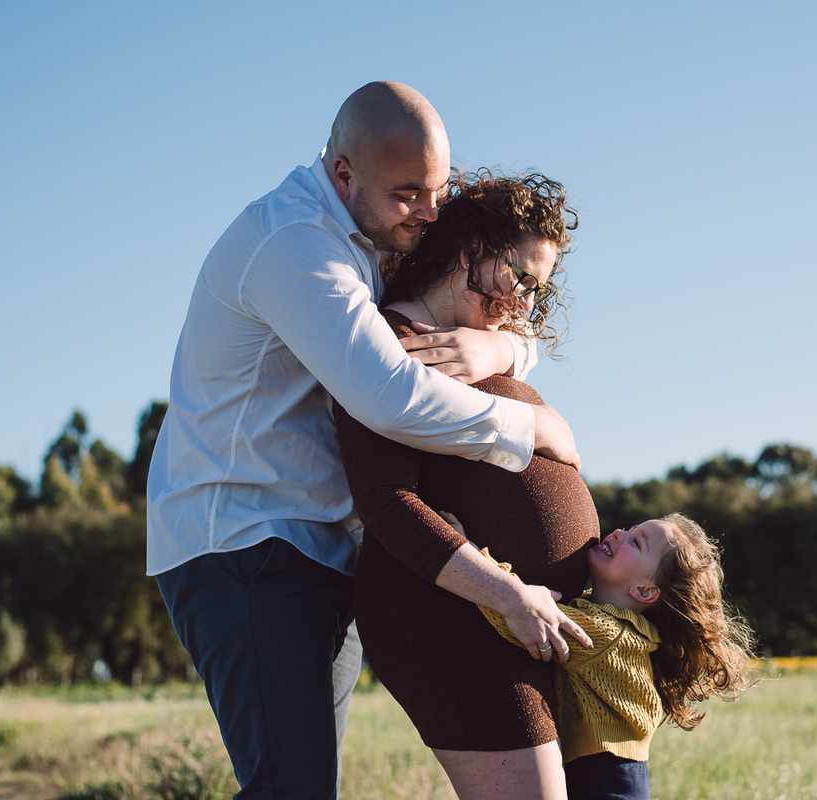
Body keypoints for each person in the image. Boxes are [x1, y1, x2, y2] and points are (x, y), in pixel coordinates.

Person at [146, 82, 581, 800]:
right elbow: (390, 398)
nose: (430, 213)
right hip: (245, 539)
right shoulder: (297, 244)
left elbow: (502, 297)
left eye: (439, 191)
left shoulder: (386, 229)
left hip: (324, 545)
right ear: (344, 175)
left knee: (306, 786)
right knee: (291, 787)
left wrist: (502, 350)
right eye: (409, 195)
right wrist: (534, 428)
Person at [335, 169, 599, 800]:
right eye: (522, 280)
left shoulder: (484, 340)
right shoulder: (388, 346)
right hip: (449, 615)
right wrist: (510, 595)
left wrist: (503, 355)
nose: (527, 304)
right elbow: (386, 500)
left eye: (540, 290)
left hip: (513, 614)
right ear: (471, 251)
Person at [467, 512, 757, 800]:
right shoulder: (618, 627)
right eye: (630, 528)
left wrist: (470, 555)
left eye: (637, 543)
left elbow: (525, 617)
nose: (619, 532)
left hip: (604, 784)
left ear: (644, 591)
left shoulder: (608, 635)